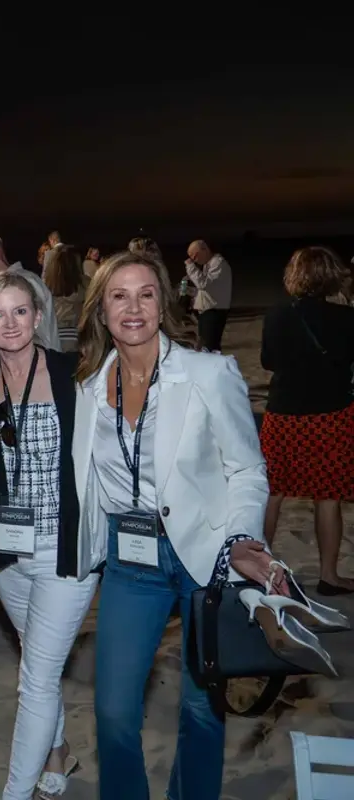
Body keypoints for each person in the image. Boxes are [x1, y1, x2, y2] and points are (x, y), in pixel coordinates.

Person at [74, 251, 280, 800]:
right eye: (119, 295)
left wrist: (241, 538)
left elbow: (247, 467)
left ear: (164, 302)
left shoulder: (209, 374)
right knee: (115, 714)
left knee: (201, 710)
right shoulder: (88, 392)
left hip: (206, 557)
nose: (133, 307)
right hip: (129, 562)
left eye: (145, 293)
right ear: (101, 310)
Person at [0, 272, 92, 799]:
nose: (10, 323)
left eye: (20, 311)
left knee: (35, 679)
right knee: (36, 657)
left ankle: (14, 794)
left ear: (38, 317)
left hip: (64, 552)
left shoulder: (74, 376)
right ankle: (59, 751)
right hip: (6, 554)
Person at [259, 246, 354, 595]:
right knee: (328, 497)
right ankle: (329, 575)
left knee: (272, 493)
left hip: (284, 414)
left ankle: (259, 571)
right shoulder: (345, 319)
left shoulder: (277, 315)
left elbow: (268, 361)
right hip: (331, 415)